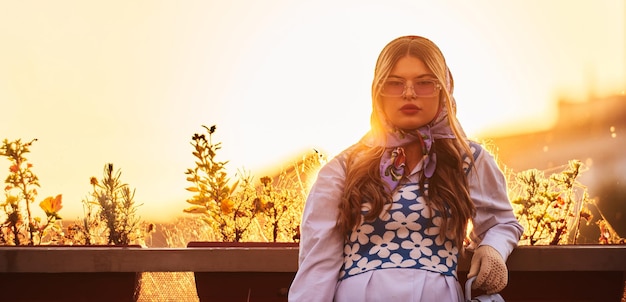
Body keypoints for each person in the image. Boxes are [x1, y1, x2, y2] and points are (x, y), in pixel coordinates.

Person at [288, 35, 523, 302]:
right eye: (394, 83)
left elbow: (501, 222)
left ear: (443, 89)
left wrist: (493, 248)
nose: (409, 93)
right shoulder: (343, 168)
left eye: (425, 83)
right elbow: (318, 264)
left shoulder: (467, 159)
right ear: (378, 91)